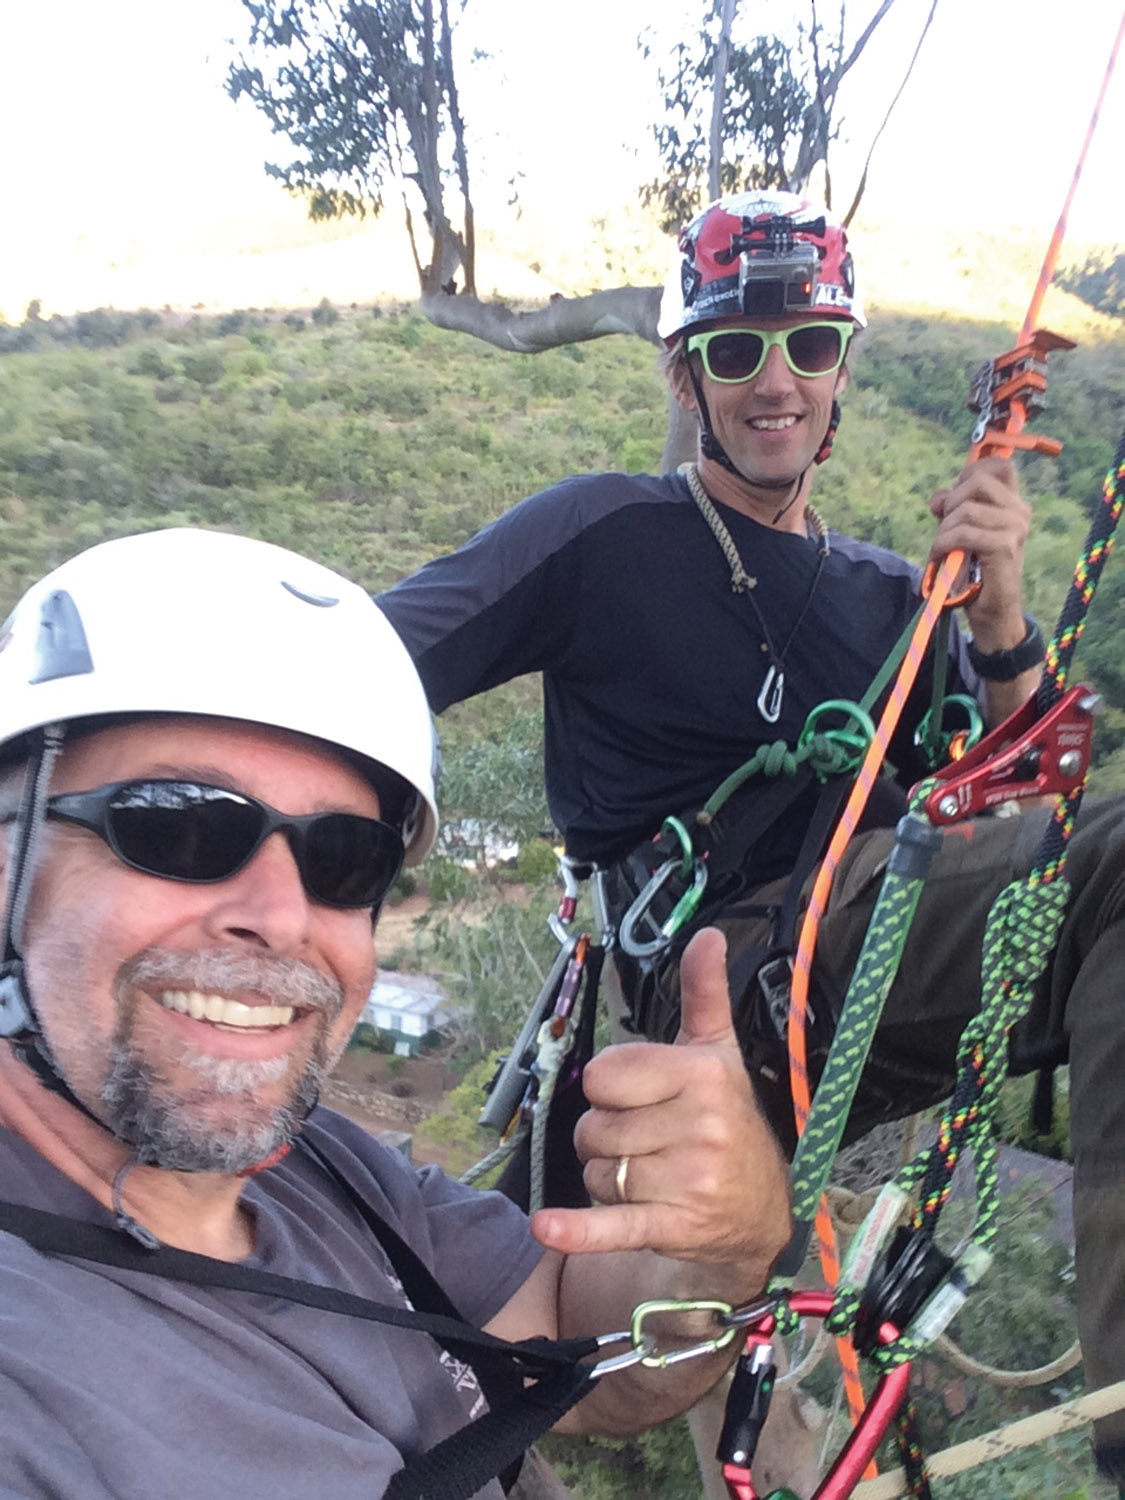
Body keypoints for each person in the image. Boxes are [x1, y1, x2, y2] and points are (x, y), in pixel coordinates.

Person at [378, 190, 1125, 1486]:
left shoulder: (902, 600)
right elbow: (370, 661)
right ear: (688, 375)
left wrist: (1000, 621)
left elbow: (1031, 832)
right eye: (735, 351)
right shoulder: (603, 535)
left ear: (840, 371)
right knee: (712, 1399)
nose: (774, 381)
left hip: (864, 983)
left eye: (807, 345)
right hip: (717, 981)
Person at [0, 527, 790, 1500]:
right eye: (178, 824)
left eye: (344, 859)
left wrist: (727, 1246)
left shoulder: (330, 1170)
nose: (282, 918)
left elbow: (582, 1341)